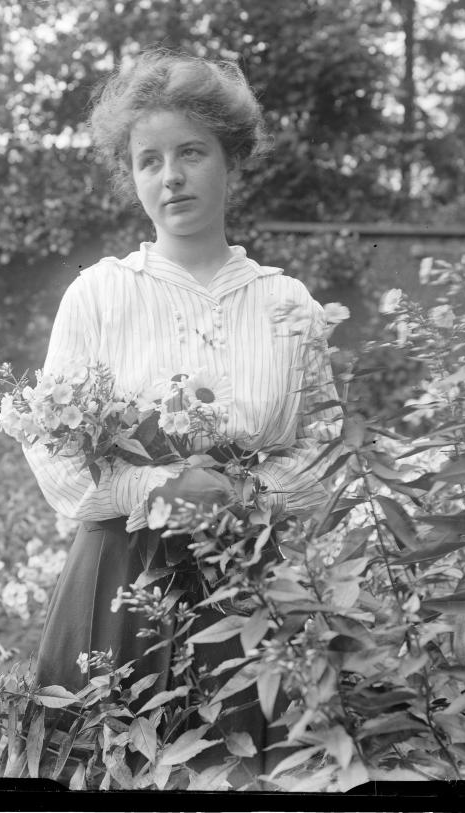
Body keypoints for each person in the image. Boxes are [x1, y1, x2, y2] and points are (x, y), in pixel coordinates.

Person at [23, 49, 343, 776]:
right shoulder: (99, 295)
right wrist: (155, 487)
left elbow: (325, 448)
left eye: (191, 152)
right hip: (116, 587)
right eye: (149, 160)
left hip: (253, 582)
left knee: (249, 770)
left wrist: (244, 494)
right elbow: (55, 458)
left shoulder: (286, 302)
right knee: (108, 768)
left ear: (231, 159)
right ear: (132, 176)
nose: (171, 176)